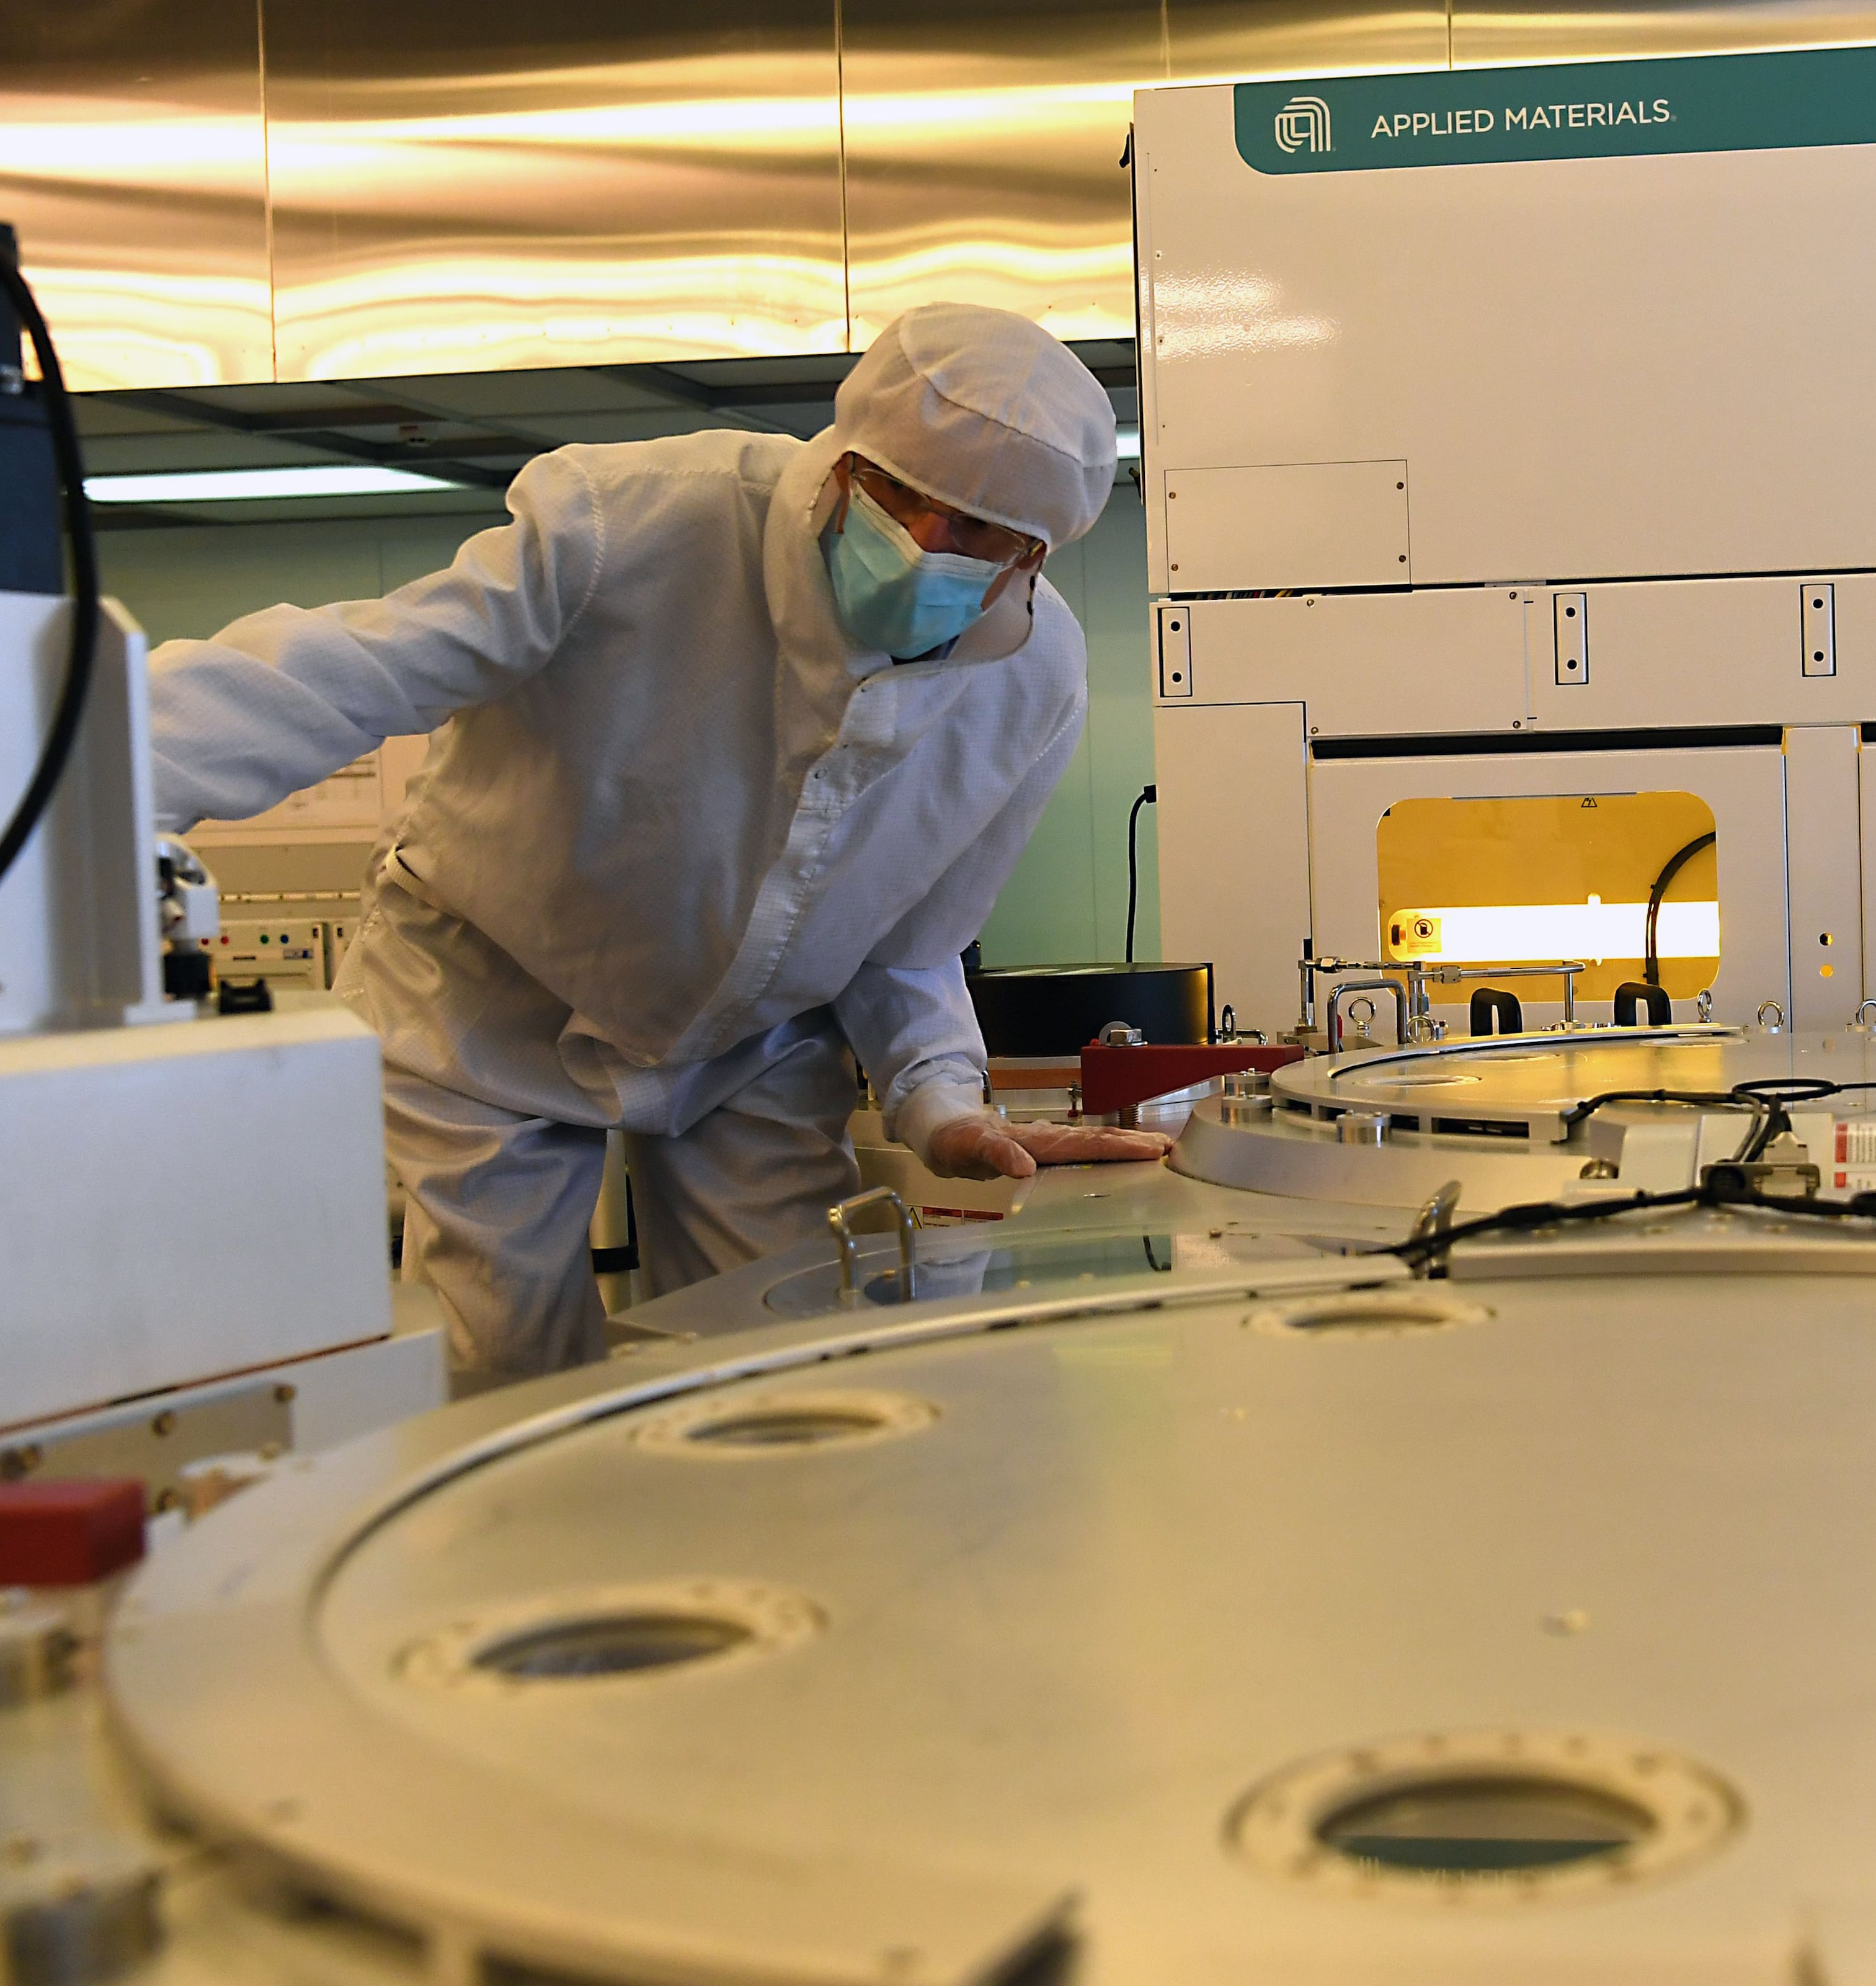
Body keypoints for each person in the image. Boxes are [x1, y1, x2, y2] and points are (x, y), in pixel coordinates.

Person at [149, 305, 1170, 1388]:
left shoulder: (1034, 680)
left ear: (1034, 554)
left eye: (975, 530)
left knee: (790, 1372)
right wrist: (75, 777)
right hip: (489, 1004)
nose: (925, 545)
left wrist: (941, 1102)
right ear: (844, 460)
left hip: (753, 1051)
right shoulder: (631, 524)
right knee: (507, 1370)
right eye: (899, 497)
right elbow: (355, 672)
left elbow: (911, 947)